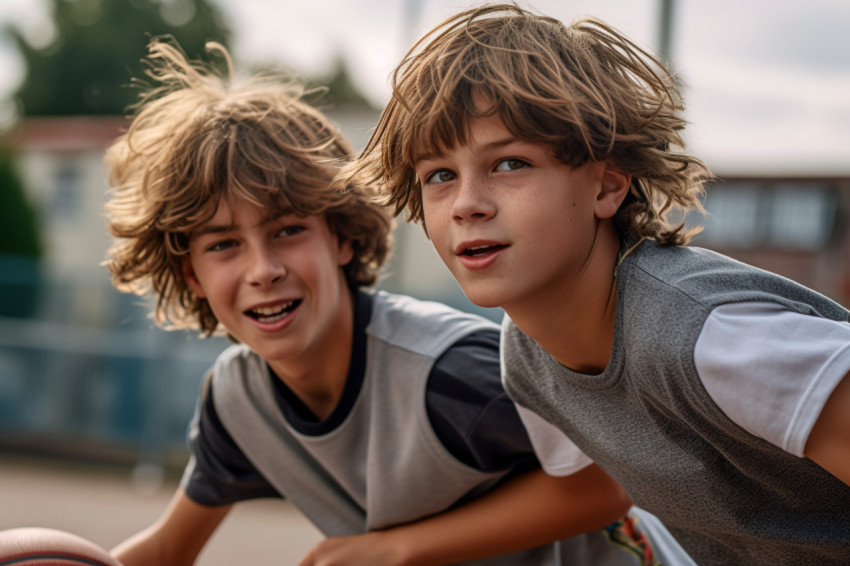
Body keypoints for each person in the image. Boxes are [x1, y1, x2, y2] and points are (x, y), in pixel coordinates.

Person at [96, 38, 690, 566]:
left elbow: (603, 488)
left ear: (343, 236)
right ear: (190, 274)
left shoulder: (453, 375)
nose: (263, 269)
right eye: (224, 244)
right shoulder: (237, 400)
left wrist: (393, 548)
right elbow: (168, 550)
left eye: (287, 231)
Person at [337, 4, 850, 565]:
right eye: (440, 175)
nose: (466, 204)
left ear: (607, 186)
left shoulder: (706, 336)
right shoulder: (526, 352)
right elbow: (584, 495)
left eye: (509, 164)